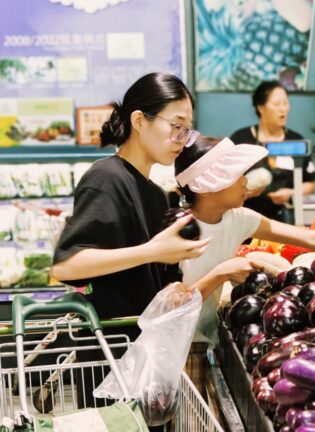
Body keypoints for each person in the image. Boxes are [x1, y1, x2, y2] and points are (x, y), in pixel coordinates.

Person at [50, 72, 207, 415]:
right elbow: (67, 265)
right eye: (176, 125)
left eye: (187, 129)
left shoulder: (156, 195)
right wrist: (152, 252)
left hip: (143, 355)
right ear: (139, 120)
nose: (182, 138)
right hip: (107, 355)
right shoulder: (106, 178)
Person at [173, 135, 315, 399]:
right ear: (209, 186)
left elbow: (309, 238)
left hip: (206, 340)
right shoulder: (176, 230)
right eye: (238, 175)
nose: (246, 182)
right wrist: (221, 272)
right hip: (178, 351)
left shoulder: (238, 218)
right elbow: (170, 307)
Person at [230, 81, 315, 221]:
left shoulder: (296, 140)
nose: (283, 109)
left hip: (287, 219)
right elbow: (226, 181)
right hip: (246, 219)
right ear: (261, 108)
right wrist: (245, 192)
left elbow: (310, 183)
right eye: (276, 104)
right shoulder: (241, 139)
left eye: (285, 103)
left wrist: (291, 193)